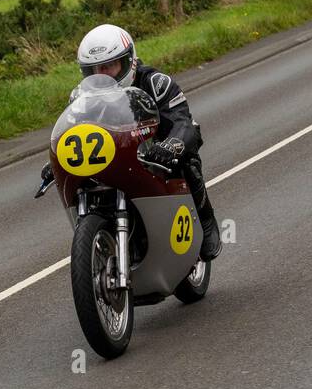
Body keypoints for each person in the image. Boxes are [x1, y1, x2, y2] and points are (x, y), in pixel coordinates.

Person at [42, 23, 222, 260]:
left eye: (109, 66)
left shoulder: (156, 83)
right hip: (114, 156)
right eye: (94, 70)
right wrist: (57, 160)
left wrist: (172, 145)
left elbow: (183, 123)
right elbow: (74, 129)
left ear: (129, 61)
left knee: (187, 162)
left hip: (156, 152)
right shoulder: (80, 97)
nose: (102, 75)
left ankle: (205, 219)